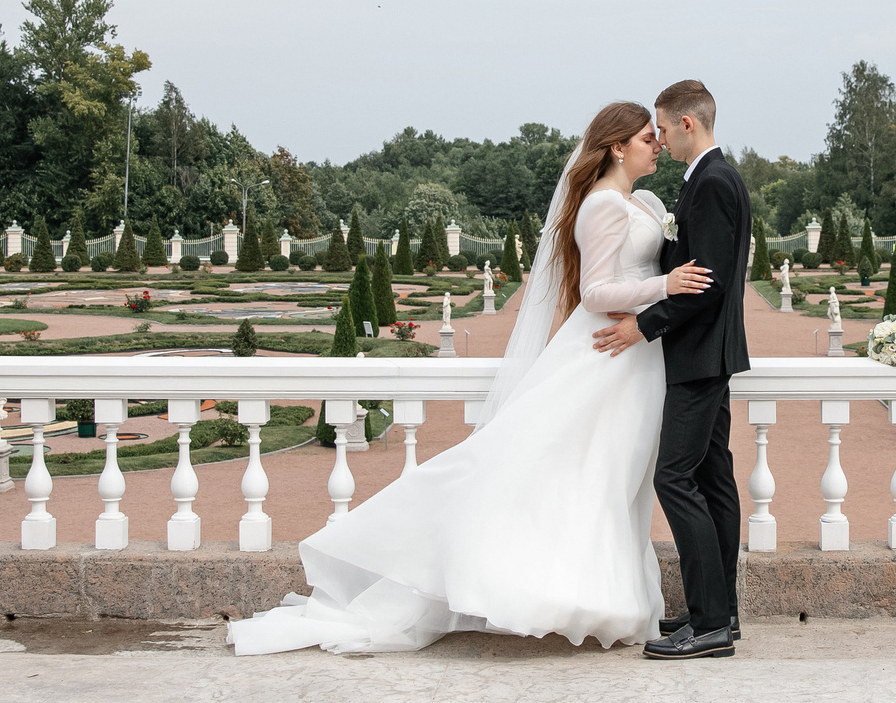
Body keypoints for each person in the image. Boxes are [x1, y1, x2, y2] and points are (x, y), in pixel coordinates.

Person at [230, 99, 712, 655]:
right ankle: (578, 597)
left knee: (616, 478)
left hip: (635, 359)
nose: (657, 144)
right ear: (616, 147)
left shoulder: (642, 202)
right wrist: (664, 286)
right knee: (583, 473)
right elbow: (597, 293)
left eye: (657, 136)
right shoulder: (603, 206)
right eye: (647, 138)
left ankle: (617, 600)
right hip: (605, 354)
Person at [597, 80, 752, 661]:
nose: (658, 138)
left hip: (697, 355)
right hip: (710, 353)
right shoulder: (718, 177)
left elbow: (705, 283)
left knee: (674, 479)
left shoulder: (710, 183)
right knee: (713, 481)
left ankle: (711, 623)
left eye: (661, 127)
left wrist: (644, 323)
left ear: (688, 123)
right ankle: (722, 613)